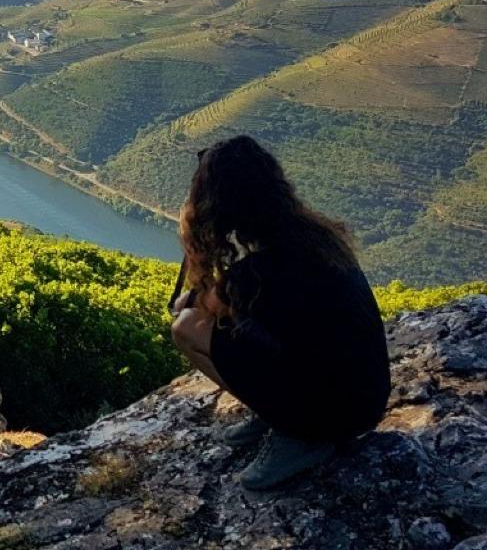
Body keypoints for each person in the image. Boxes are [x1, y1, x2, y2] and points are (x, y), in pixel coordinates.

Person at [167, 135, 390, 491]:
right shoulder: (318, 240)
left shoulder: (255, 276)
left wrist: (192, 238)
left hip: (335, 415)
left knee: (185, 328)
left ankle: (296, 433)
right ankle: (283, 414)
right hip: (367, 400)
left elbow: (190, 311)